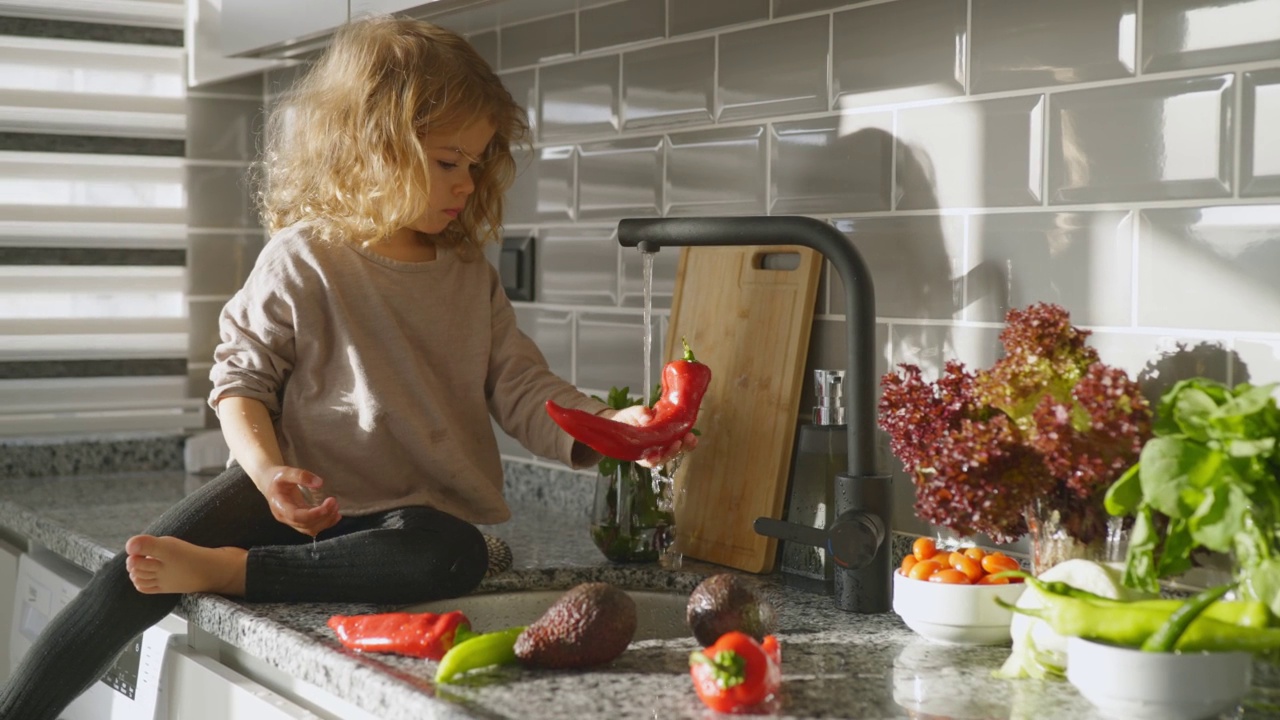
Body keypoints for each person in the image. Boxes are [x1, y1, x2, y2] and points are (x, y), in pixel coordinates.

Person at [0, 15, 693, 719]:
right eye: (448, 161)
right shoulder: (304, 257)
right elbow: (241, 383)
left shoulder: (466, 273)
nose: (466, 182)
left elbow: (521, 388)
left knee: (454, 554)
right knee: (134, 571)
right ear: (373, 149)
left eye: (478, 163)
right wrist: (269, 475)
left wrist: (615, 428)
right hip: (292, 497)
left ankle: (230, 573)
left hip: (404, 522)